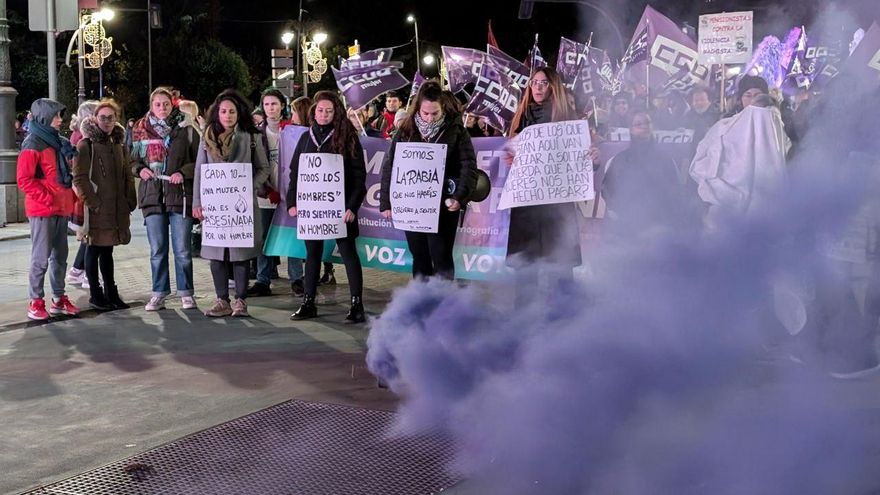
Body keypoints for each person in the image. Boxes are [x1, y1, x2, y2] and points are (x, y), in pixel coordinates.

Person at [380, 81, 477, 279]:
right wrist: (386, 201)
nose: (430, 118)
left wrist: (460, 196)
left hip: (443, 206)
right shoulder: (406, 130)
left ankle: (444, 304)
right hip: (413, 204)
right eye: (425, 113)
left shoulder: (456, 130)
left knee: (441, 256)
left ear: (443, 108)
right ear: (418, 109)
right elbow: (390, 165)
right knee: (420, 256)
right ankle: (421, 301)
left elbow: (468, 166)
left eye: (435, 114)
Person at [287, 91, 367, 323]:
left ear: (336, 113)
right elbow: (295, 173)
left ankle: (356, 304)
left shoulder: (347, 136)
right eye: (320, 110)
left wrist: (352, 206)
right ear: (314, 111)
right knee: (312, 254)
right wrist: (293, 202)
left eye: (329, 111)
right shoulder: (306, 138)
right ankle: (308, 302)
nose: (324, 114)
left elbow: (359, 175)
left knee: (348, 253)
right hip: (313, 209)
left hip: (342, 210)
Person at [193, 90, 270, 317]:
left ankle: (240, 301)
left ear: (239, 113)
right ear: (217, 113)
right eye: (223, 111)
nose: (227, 115)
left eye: (232, 111)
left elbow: (263, 168)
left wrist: (249, 186)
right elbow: (199, 171)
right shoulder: (206, 137)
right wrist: (197, 202)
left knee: (240, 253)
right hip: (214, 207)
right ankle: (221, 300)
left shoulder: (251, 137)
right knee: (216, 254)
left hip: (241, 207)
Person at [506, 67, 584, 288]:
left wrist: (592, 158)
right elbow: (512, 155)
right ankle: (525, 316)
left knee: (559, 263)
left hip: (556, 205)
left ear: (554, 87)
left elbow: (580, 159)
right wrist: (511, 157)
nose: (538, 87)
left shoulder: (566, 117)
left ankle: (564, 317)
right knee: (525, 265)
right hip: (526, 205)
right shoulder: (520, 117)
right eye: (534, 82)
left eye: (544, 83)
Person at [131, 87, 200, 311]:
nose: (162, 108)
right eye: (157, 104)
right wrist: (139, 170)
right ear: (151, 106)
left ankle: (186, 293)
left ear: (173, 105)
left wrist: (183, 172)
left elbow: (199, 160)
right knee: (157, 250)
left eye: (166, 104)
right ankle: (159, 293)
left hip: (179, 195)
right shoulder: (140, 130)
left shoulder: (186, 128)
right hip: (152, 195)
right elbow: (131, 161)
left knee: (182, 249)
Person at [16, 98, 80, 320]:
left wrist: (68, 200)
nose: (60, 120)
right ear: (44, 117)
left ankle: (58, 298)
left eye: (60, 115)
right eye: (56, 116)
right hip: (43, 209)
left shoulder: (57, 142)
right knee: (41, 258)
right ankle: (36, 301)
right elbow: (24, 180)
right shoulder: (33, 143)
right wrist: (47, 199)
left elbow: (63, 177)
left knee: (60, 257)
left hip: (60, 208)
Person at [73, 99, 137, 311]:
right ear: (95, 118)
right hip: (97, 209)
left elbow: (127, 173)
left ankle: (111, 292)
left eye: (111, 118)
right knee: (93, 250)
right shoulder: (86, 145)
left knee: (107, 251)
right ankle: (96, 294)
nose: (107, 122)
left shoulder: (118, 144)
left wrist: (129, 198)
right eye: (103, 117)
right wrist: (94, 203)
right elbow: (79, 178)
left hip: (116, 208)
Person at [248, 88, 291, 297]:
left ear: (282, 105)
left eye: (274, 104)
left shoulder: (292, 130)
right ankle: (263, 279)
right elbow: (254, 165)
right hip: (266, 195)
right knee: (264, 237)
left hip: (290, 196)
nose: (270, 108)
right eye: (266, 104)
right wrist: (266, 190)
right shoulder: (256, 133)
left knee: (292, 236)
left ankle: (297, 278)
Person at [66, 100, 100, 289]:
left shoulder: (78, 135)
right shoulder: (83, 139)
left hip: (83, 190)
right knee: (90, 232)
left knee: (89, 232)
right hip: (85, 190)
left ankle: (78, 270)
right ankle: (87, 273)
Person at [286, 96, 312, 294]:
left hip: (314, 195)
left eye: (294, 111)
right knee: (293, 236)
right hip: (295, 193)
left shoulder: (312, 135)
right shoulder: (288, 133)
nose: (291, 115)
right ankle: (296, 277)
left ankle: (314, 274)